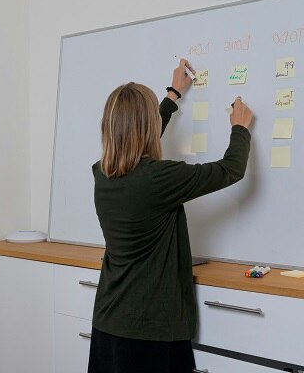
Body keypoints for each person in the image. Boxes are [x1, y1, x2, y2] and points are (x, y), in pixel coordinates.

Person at [87, 59, 253, 373]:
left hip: (108, 320)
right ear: (149, 126)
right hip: (149, 330)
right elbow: (230, 170)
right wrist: (240, 129)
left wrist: (173, 93)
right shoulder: (158, 178)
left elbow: (137, 137)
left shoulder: (102, 173)